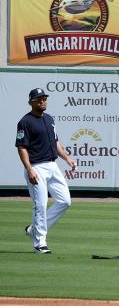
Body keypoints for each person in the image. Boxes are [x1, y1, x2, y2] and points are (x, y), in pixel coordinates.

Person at [17, 87, 77, 254]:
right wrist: (29, 169)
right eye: (39, 99)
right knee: (40, 205)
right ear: (31, 102)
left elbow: (56, 142)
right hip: (36, 167)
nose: (43, 101)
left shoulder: (50, 119)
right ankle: (39, 243)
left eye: (44, 98)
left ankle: (34, 229)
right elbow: (21, 147)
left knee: (65, 201)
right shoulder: (25, 122)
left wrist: (67, 158)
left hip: (52, 165)